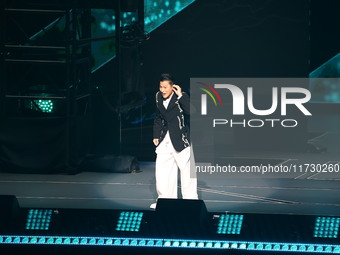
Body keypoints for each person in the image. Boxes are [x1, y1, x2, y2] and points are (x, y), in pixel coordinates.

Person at [150, 73, 198, 209]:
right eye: (161, 87)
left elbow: (192, 111)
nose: (163, 90)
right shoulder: (158, 96)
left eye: (165, 87)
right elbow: (158, 117)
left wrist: (181, 95)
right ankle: (165, 202)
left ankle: (191, 202)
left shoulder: (180, 97)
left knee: (187, 173)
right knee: (162, 171)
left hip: (181, 139)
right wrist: (156, 135)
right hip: (165, 139)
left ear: (173, 86)